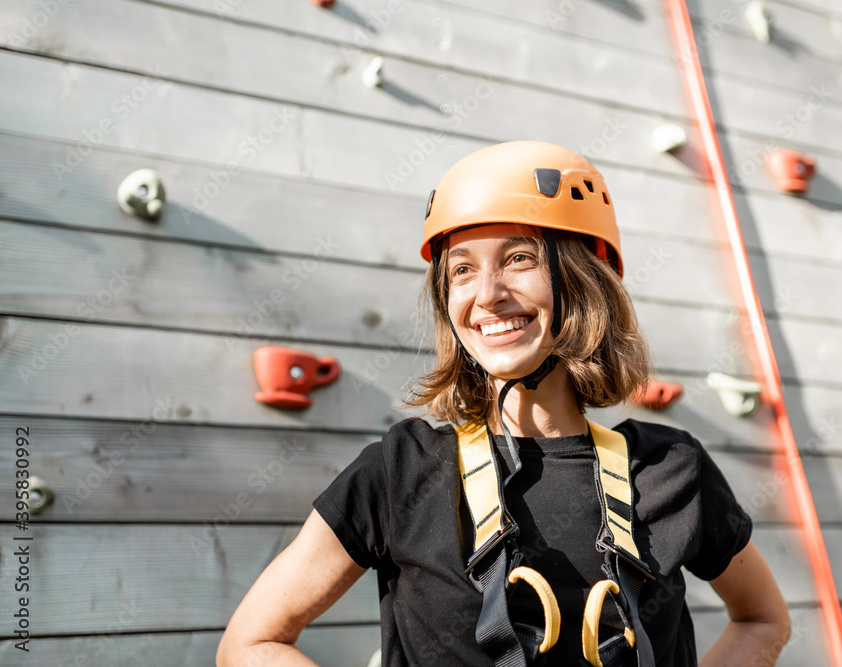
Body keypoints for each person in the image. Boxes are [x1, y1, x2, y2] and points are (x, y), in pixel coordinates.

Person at [217, 141, 791, 666]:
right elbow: (252, 643)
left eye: (519, 259)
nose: (487, 296)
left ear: (583, 278)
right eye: (462, 269)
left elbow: (763, 620)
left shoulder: (670, 470)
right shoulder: (401, 472)